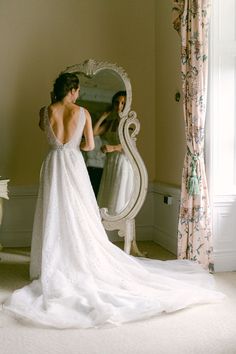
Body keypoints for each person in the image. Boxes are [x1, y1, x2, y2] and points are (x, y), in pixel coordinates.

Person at [2, 73, 224, 329]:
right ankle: (78, 258)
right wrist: (73, 145)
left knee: (54, 209)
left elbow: (48, 134)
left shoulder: (46, 111)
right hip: (73, 165)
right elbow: (88, 145)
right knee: (79, 212)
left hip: (53, 164)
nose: (78, 94)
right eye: (78, 90)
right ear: (73, 90)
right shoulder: (82, 112)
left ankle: (55, 263)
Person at [95, 91, 134, 215]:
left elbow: (130, 146)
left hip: (122, 162)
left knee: (118, 193)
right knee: (108, 191)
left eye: (123, 103)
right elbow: (94, 132)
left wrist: (113, 148)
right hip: (110, 162)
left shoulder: (129, 124)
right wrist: (103, 116)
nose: (119, 106)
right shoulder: (111, 123)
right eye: (117, 103)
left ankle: (117, 222)